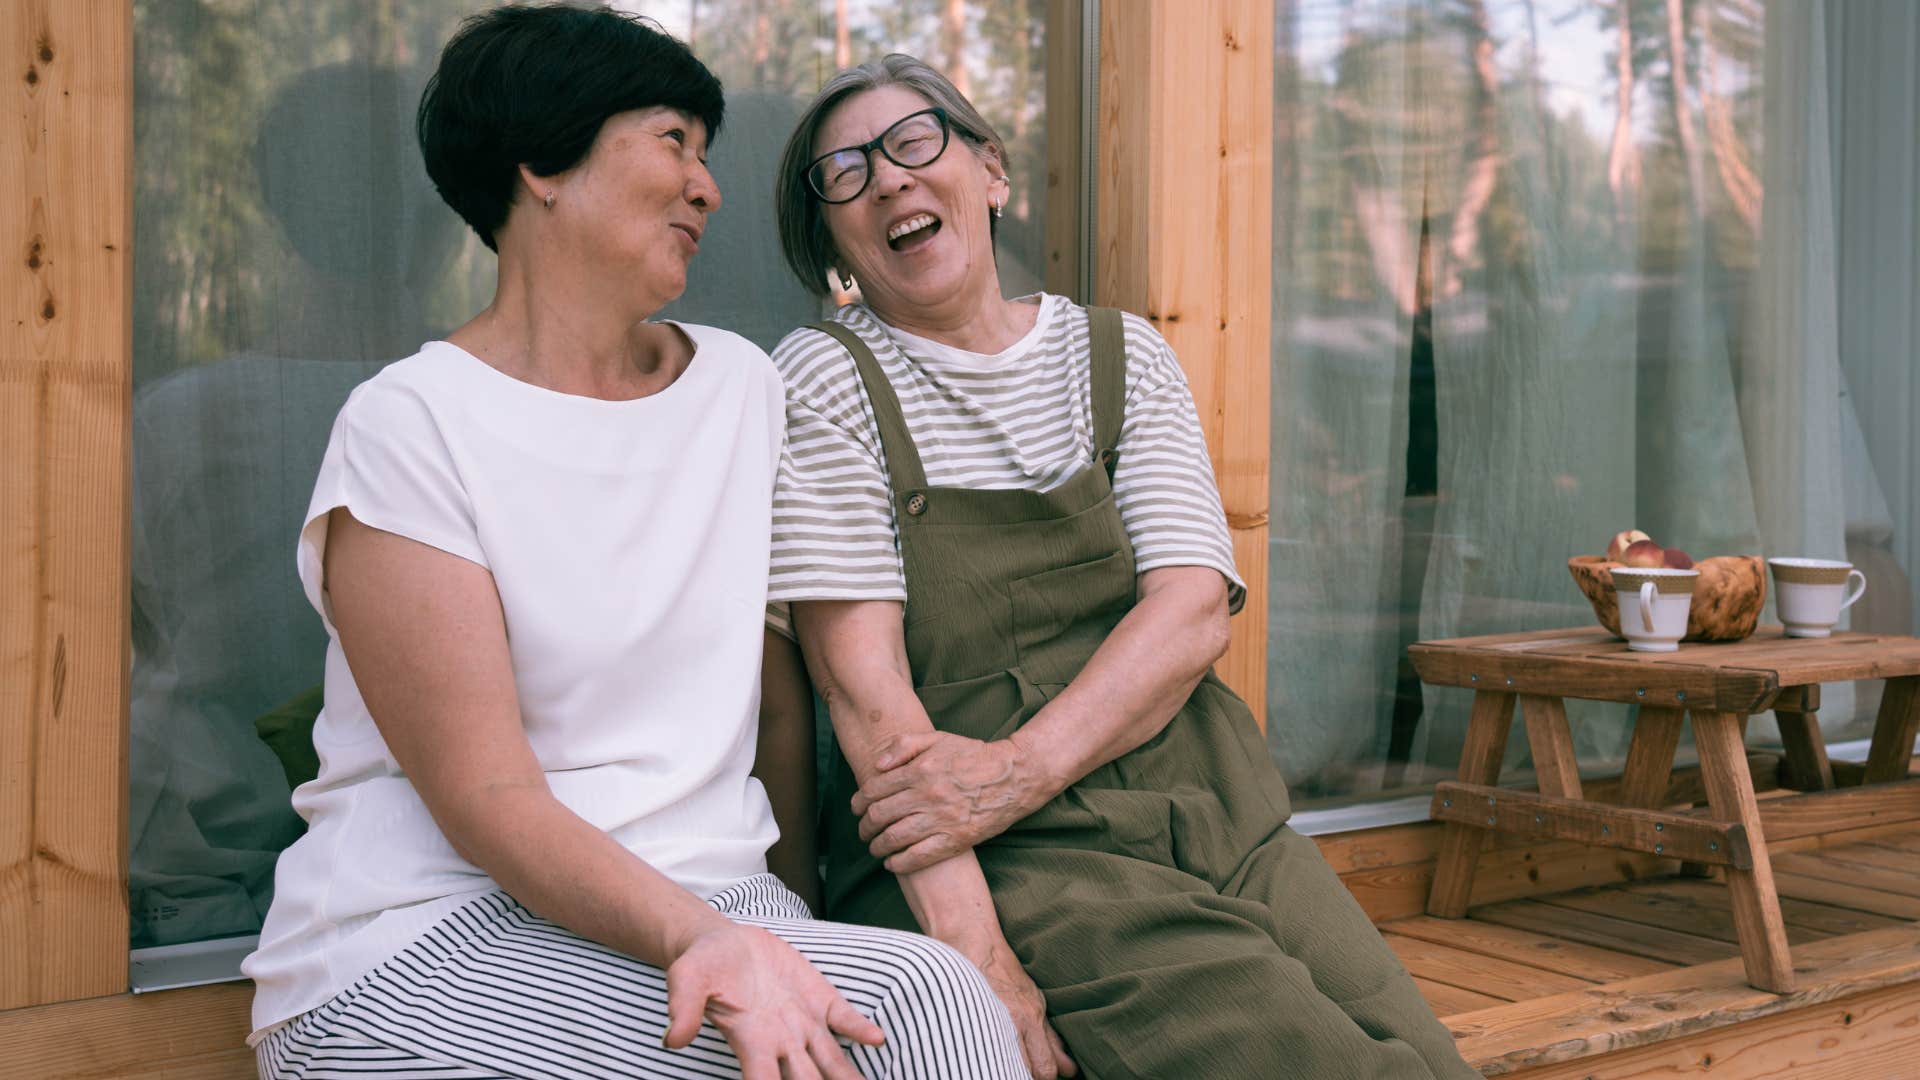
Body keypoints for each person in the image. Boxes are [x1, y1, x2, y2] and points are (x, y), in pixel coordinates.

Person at [241, 11, 1027, 1079]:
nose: (707, 188)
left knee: (922, 1006)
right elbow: (487, 797)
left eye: (707, 155)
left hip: (719, 900)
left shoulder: (742, 389)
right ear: (542, 165)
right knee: (919, 1007)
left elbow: (776, 695)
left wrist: (777, 924)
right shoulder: (414, 424)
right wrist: (711, 943)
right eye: (672, 142)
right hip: (431, 935)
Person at [765, 54, 1479, 1080]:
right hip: (1017, 865)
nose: (888, 180)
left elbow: (1192, 613)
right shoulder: (828, 378)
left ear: (993, 171)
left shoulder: (1119, 354)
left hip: (1216, 813)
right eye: (845, 173)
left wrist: (1014, 771)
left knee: (1424, 1059)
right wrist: (982, 964)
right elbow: (866, 698)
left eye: (914, 143)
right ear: (832, 235)